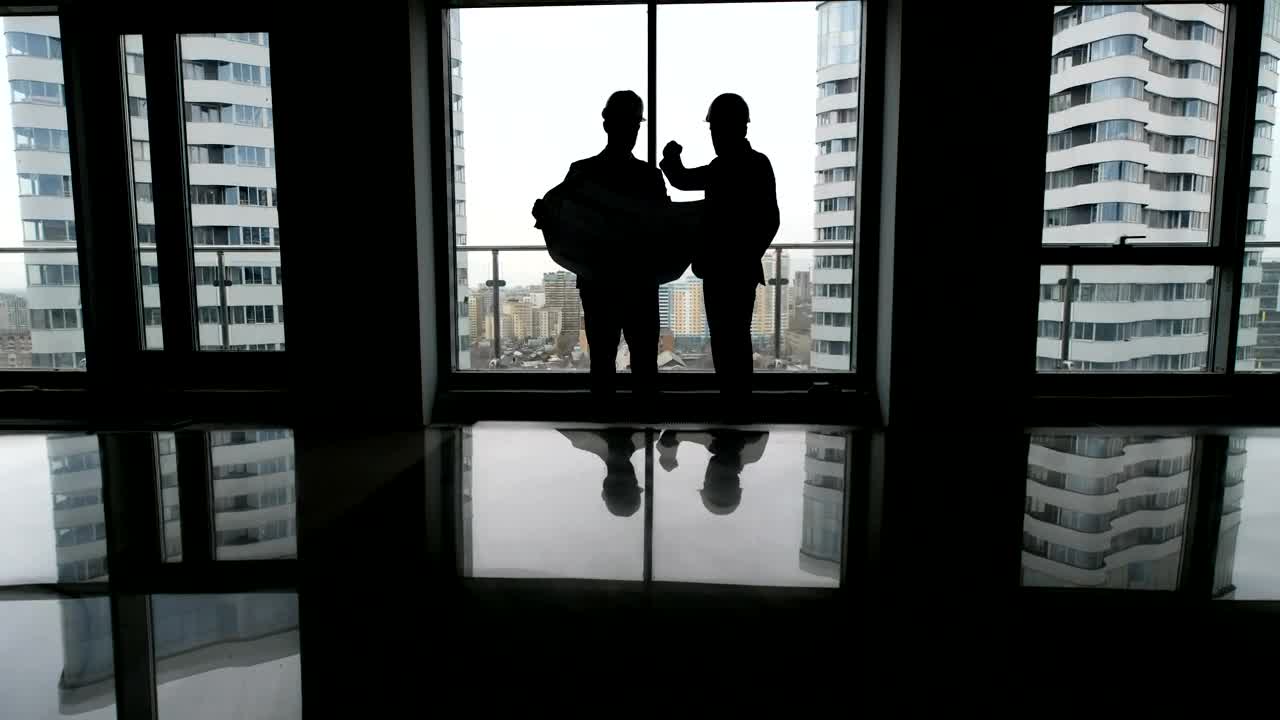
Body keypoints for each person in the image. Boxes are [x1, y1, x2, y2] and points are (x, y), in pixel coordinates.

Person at [535, 90, 669, 397]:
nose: (632, 132)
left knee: (605, 365)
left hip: (601, 283)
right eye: (632, 125)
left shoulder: (583, 173)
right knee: (643, 368)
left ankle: (609, 434)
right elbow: (664, 229)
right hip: (639, 284)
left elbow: (551, 210)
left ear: (606, 124)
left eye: (634, 125)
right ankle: (642, 430)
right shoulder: (648, 177)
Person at [659, 93, 779, 400]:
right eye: (714, 130)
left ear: (737, 129)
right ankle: (736, 400)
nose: (715, 136)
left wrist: (671, 159)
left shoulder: (728, 168)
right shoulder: (749, 165)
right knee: (733, 338)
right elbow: (770, 220)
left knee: (729, 339)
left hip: (725, 269)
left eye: (717, 130)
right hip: (733, 269)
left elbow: (683, 180)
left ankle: (733, 398)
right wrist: (748, 254)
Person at [656, 429, 769, 515]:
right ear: (709, 479)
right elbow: (670, 437)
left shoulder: (754, 452)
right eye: (707, 482)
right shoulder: (752, 446)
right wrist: (668, 456)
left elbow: (671, 436)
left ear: (738, 486)